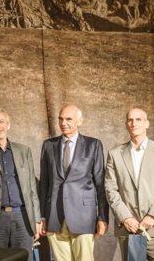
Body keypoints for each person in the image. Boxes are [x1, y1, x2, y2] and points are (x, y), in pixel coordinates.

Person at [105, 108, 154, 260]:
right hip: (128, 229)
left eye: (138, 119)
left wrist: (153, 216)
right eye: (130, 120)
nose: (134, 123)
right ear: (126, 124)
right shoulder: (114, 154)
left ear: (147, 123)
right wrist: (125, 218)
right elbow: (110, 189)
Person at [38, 104, 108, 261]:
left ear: (80, 121)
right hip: (55, 217)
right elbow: (44, 184)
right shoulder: (48, 145)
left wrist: (103, 217)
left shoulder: (93, 145)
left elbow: (100, 185)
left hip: (84, 217)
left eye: (68, 119)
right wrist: (41, 216)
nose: (63, 123)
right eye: (60, 119)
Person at [0, 109, 40, 258]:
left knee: (24, 258)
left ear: (8, 125)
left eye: (1, 122)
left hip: (23, 217)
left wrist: (36, 219)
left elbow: (32, 188)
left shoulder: (24, 151)